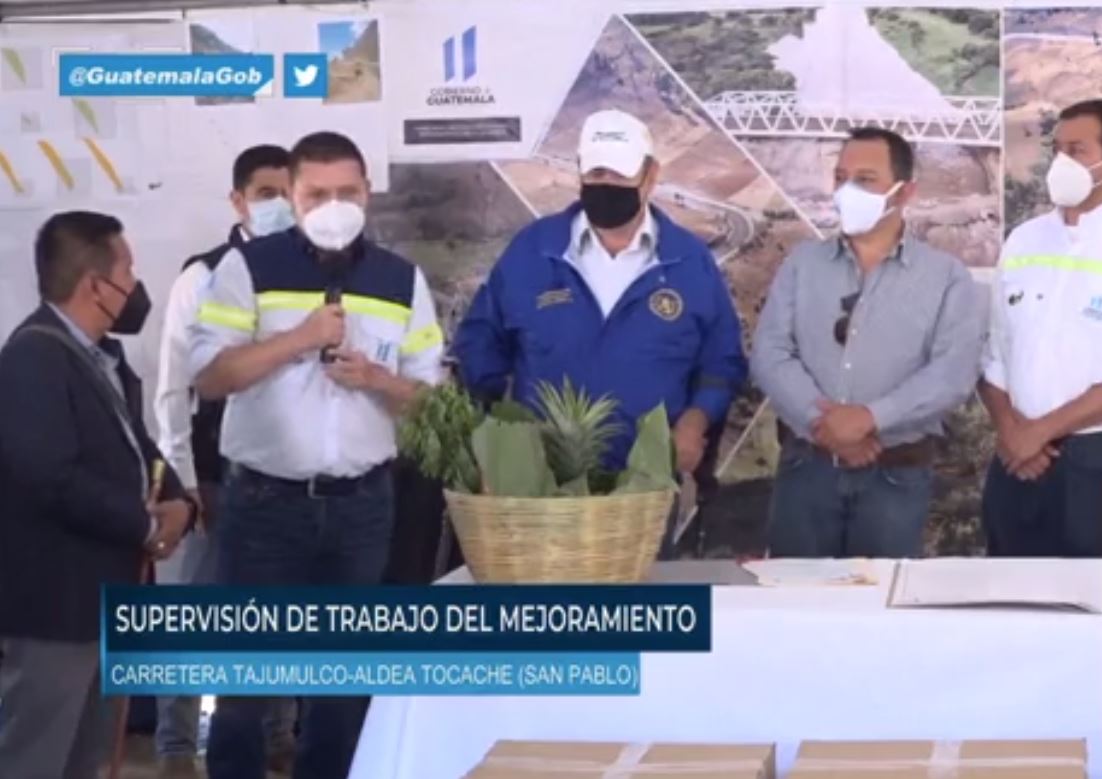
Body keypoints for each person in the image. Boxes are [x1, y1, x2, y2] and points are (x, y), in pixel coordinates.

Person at [189, 131, 444, 779]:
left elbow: (432, 400)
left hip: (362, 508)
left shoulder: (400, 279)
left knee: (342, 687)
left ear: (368, 193)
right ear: (293, 197)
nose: (335, 205)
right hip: (264, 505)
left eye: (348, 192)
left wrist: (377, 380)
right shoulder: (248, 269)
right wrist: (299, 338)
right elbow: (210, 376)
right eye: (317, 194)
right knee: (244, 684)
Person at [452, 108, 746, 556]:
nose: (606, 185)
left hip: (644, 484)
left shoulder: (689, 263)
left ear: (650, 176)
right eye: (596, 172)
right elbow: (480, 341)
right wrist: (497, 436)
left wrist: (695, 421)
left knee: (635, 614)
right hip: (542, 483)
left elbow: (721, 361)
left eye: (620, 174)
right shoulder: (534, 251)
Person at [0, 211, 196, 779]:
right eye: (128, 270)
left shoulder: (101, 357)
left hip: (106, 599)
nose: (136, 286)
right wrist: (144, 526)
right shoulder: (32, 359)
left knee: (85, 757)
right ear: (95, 286)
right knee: (36, 756)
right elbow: (48, 474)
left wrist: (180, 501)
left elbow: (139, 449)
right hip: (56, 609)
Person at [751, 127, 984, 558]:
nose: (846, 190)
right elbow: (770, 353)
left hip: (895, 478)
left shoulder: (946, 277)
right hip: (807, 471)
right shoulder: (803, 264)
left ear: (904, 192)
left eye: (865, 179)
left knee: (883, 614)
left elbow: (952, 373)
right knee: (795, 612)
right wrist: (826, 425)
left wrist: (870, 419)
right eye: (840, 177)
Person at [153, 145, 297, 778]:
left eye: (289, 191)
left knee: (278, 617)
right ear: (238, 201)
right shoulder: (202, 275)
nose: (280, 205)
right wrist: (184, 484)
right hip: (213, 477)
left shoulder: (316, 271)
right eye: (267, 193)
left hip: (288, 477)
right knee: (189, 616)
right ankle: (177, 750)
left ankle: (278, 738)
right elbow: (171, 389)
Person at [981, 99, 1102, 557]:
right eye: (1058, 150)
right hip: (1016, 462)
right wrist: (1013, 431)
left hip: (1093, 464)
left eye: (1078, 149)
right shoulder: (1024, 239)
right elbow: (994, 356)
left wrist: (1042, 431)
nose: (1063, 163)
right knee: (1011, 607)